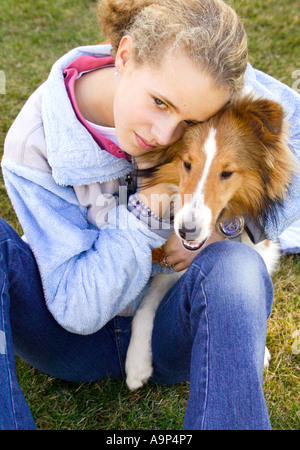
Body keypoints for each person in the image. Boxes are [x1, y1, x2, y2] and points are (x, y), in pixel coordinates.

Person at [0, 0, 299, 430]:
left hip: (174, 335)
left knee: (239, 266)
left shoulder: (212, 81)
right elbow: (77, 310)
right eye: (159, 102)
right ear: (124, 56)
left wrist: (227, 228)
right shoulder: (35, 140)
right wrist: (144, 212)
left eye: (190, 119)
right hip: (66, 339)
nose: (162, 137)